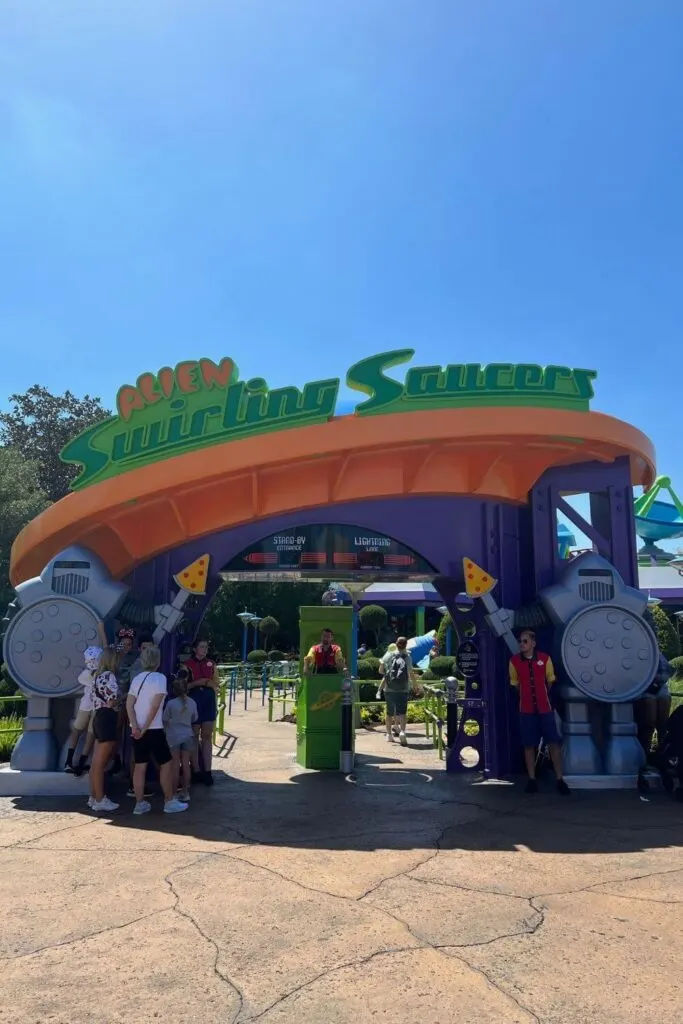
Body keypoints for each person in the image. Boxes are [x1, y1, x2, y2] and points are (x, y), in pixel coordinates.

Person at [126, 645, 188, 815]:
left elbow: (129, 704)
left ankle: (139, 804)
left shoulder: (137, 678)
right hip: (153, 728)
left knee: (140, 766)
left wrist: (135, 727)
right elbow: (155, 707)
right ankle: (169, 801)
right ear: (157, 661)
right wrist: (144, 728)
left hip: (136, 730)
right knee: (166, 763)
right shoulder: (160, 678)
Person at [509, 629, 571, 795]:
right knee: (529, 745)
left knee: (553, 743)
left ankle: (559, 779)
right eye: (520, 641)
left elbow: (550, 681)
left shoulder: (545, 659)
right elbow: (515, 684)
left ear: (533, 643)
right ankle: (532, 779)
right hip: (526, 710)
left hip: (545, 708)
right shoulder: (514, 662)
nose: (522, 644)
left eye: (525, 641)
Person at [88, 646, 122, 813]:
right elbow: (112, 700)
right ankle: (101, 799)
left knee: (95, 762)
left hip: (97, 717)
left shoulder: (96, 676)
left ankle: (93, 796)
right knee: (101, 763)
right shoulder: (110, 677)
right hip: (108, 717)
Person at [184, 638, 220, 786]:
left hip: (208, 702)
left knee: (207, 736)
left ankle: (208, 771)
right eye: (201, 646)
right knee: (193, 736)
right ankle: (196, 770)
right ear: (195, 649)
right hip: (194, 702)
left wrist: (211, 686)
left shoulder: (212, 664)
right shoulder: (187, 665)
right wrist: (199, 683)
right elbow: (183, 686)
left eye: (206, 646)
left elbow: (216, 684)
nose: (204, 649)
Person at [65, 645, 101, 776]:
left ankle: (68, 761)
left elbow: (81, 679)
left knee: (77, 729)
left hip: (86, 703)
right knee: (91, 734)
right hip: (98, 706)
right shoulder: (104, 673)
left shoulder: (85, 675)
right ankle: (81, 763)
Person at [163, 669, 198, 802]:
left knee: (175, 765)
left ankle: (174, 792)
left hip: (173, 737)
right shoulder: (192, 703)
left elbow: (165, 719)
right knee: (186, 764)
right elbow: (195, 718)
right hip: (188, 735)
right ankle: (185, 791)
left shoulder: (171, 704)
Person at [378, 637, 415, 746]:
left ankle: (389, 735)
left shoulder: (389, 655)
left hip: (389, 689)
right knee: (403, 712)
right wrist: (416, 686)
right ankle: (402, 732)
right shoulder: (407, 657)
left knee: (389, 713)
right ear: (406, 645)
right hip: (403, 688)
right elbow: (411, 673)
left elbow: (380, 671)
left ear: (396, 644)